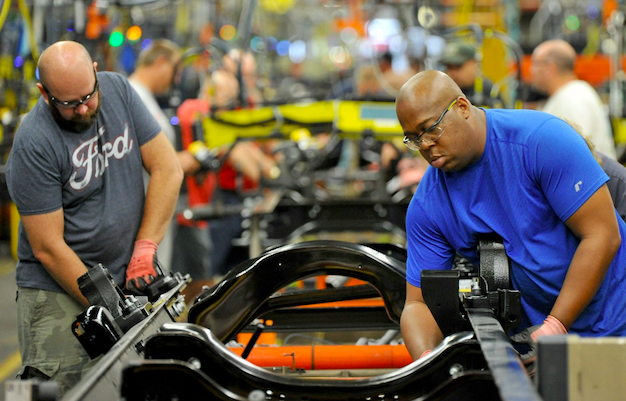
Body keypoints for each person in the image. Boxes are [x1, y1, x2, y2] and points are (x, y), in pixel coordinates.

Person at [395, 70, 626, 364]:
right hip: (543, 341)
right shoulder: (428, 205)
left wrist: (555, 325)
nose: (425, 145)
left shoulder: (540, 140)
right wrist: (428, 360)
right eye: (413, 138)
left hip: (616, 320)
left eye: (431, 129)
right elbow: (419, 303)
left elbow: (602, 236)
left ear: (462, 108)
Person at [5, 41, 183, 396]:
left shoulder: (117, 90)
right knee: (69, 390)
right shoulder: (33, 144)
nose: (84, 108)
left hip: (120, 276)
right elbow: (48, 247)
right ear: (44, 93)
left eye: (88, 95)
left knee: (126, 388)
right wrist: (112, 305)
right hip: (57, 293)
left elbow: (167, 167)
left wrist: (145, 248)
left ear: (96, 72)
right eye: (69, 104)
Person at [128, 39, 214, 300]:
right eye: (174, 70)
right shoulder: (134, 98)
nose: (176, 79)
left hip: (154, 208)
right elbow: (150, 160)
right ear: (161, 62)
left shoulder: (143, 98)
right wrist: (187, 159)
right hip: (143, 208)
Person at [530, 39, 617, 159]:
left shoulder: (573, 98)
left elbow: (577, 153)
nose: (531, 71)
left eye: (535, 63)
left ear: (550, 67)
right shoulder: (569, 94)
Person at [439, 42, 503, 108]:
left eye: (458, 66)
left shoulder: (489, 91)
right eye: (449, 67)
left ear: (474, 64)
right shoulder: (443, 91)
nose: (453, 73)